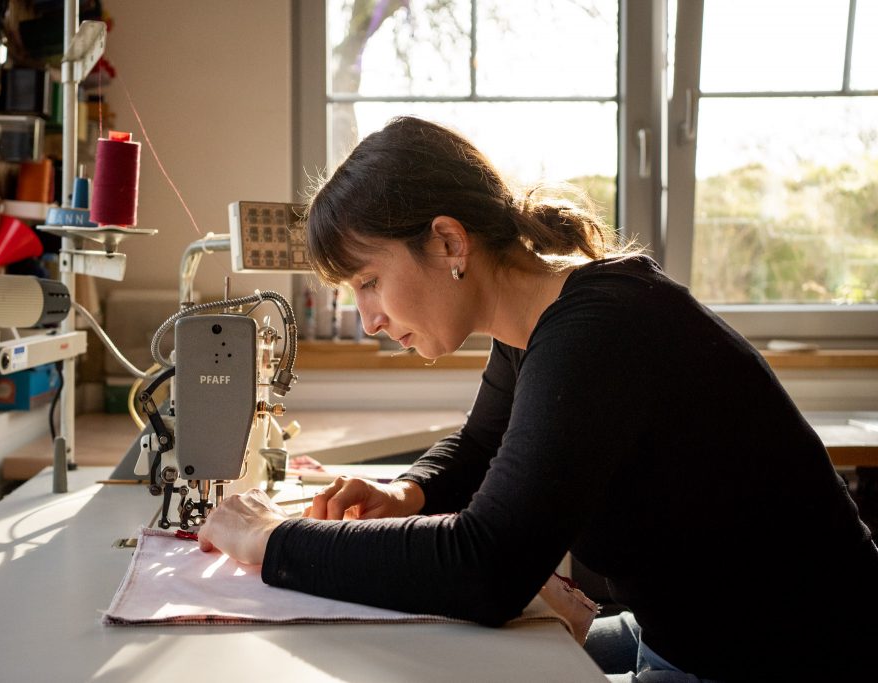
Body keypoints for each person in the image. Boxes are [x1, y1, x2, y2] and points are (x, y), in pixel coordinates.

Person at [198, 116, 878, 681]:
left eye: (370, 280)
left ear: (447, 241)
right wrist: (405, 493)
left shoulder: (597, 331)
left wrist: (271, 539)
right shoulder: (544, 321)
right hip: (690, 624)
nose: (368, 317)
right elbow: (479, 445)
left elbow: (488, 565)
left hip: (782, 655)